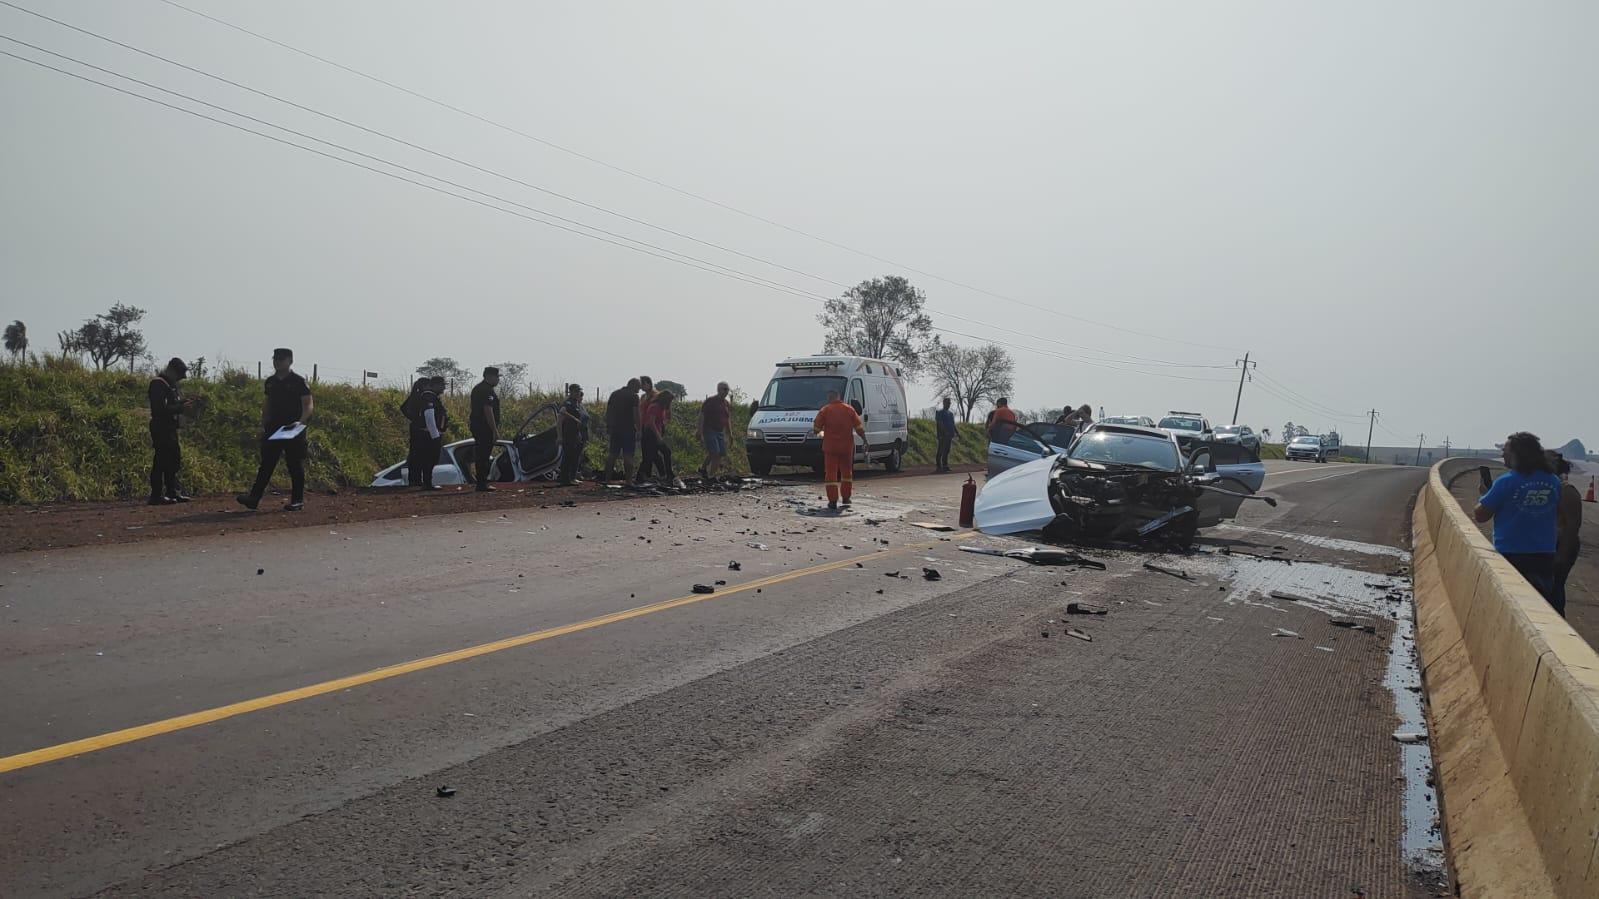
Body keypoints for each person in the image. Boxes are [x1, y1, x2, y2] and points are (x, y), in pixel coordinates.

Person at [1474, 432, 1563, 606]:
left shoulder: (1506, 482)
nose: (1502, 455)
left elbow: (1481, 515)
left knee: (1509, 604)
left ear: (1517, 455)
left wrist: (1485, 495)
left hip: (1511, 555)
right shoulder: (1553, 481)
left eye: (1506, 452)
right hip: (1544, 555)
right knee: (1539, 604)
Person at [237, 347, 313, 512]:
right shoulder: (270, 382)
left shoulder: (298, 381)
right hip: (274, 428)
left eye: (281, 359)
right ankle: (254, 498)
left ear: (290, 361)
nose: (277, 362)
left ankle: (297, 500)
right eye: (275, 359)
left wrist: (300, 422)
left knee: (294, 464)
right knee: (267, 463)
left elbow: (308, 404)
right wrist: (262, 424)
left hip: (293, 428)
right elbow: (268, 404)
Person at [147, 357, 193, 505]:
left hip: (170, 428)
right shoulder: (158, 384)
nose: (181, 379)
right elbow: (159, 409)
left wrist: (182, 403)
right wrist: (180, 408)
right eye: (179, 375)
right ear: (172, 371)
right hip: (161, 427)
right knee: (161, 460)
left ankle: (172, 492)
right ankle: (156, 494)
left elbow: (170, 405)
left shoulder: (170, 385)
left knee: (174, 460)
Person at [812, 389, 866, 511]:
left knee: (831, 474)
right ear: (839, 397)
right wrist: (865, 440)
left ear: (829, 398)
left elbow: (816, 428)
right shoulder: (849, 409)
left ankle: (832, 501)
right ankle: (846, 498)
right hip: (847, 447)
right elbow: (859, 427)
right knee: (847, 473)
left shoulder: (825, 410)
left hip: (831, 448)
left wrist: (819, 431)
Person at [1549, 451, 1584, 616]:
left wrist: (1562, 554)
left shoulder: (1567, 491)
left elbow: (1572, 527)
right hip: (1552, 545)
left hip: (1561, 546)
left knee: (1555, 588)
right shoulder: (1552, 488)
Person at [405, 377, 447, 490]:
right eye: (442, 384)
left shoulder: (426, 397)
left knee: (424, 459)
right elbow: (429, 417)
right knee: (429, 458)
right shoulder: (429, 397)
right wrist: (435, 436)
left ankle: (422, 483)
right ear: (434, 385)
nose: (444, 387)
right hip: (428, 434)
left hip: (426, 433)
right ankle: (426, 483)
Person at [469, 367, 501, 492]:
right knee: (483, 455)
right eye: (496, 377)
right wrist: (494, 430)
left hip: (479, 426)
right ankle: (481, 483)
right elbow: (488, 410)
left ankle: (482, 482)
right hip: (484, 427)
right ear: (489, 376)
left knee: (483, 454)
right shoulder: (485, 390)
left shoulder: (480, 389)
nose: (498, 379)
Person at [604, 378, 642, 482]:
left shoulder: (614, 394)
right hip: (628, 429)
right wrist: (639, 429)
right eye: (638, 387)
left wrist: (609, 426)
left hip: (615, 429)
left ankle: (607, 480)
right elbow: (636, 414)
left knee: (612, 455)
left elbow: (608, 412)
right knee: (628, 455)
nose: (639, 389)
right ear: (633, 385)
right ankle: (628, 481)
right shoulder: (634, 396)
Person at [637, 390, 676, 483]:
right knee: (654, 455)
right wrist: (658, 436)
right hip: (650, 434)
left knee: (652, 455)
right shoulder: (655, 407)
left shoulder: (662, 408)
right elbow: (651, 423)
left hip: (655, 433)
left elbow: (663, 420)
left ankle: (666, 474)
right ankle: (668, 474)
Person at [698, 381, 733, 479]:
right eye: (724, 389)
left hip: (720, 431)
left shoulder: (726, 403)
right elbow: (702, 415)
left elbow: (727, 419)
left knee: (720, 453)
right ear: (718, 389)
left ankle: (703, 468)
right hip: (709, 429)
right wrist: (699, 430)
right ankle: (711, 476)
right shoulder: (710, 401)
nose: (726, 392)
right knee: (715, 453)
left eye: (727, 390)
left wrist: (730, 434)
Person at [557, 383, 590, 486]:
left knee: (575, 456)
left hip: (578, 434)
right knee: (568, 456)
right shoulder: (568, 403)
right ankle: (564, 479)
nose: (577, 393)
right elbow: (560, 419)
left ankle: (572, 477)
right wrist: (560, 436)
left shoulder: (577, 404)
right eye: (575, 391)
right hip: (569, 434)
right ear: (571, 392)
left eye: (578, 391)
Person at [934, 397, 957, 472]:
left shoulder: (950, 414)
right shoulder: (940, 412)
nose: (949, 404)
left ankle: (945, 465)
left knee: (947, 450)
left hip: (949, 435)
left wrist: (957, 432)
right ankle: (938, 466)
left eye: (949, 403)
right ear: (944, 403)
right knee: (940, 450)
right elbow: (940, 423)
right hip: (942, 435)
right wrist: (944, 431)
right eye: (947, 403)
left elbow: (953, 424)